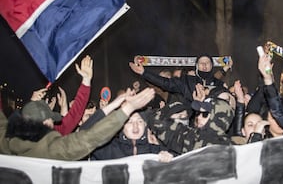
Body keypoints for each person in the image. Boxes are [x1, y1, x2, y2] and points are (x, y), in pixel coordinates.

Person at [0, 86, 155, 160]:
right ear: (46, 123)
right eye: (130, 122)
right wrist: (126, 108)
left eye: (139, 121)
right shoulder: (49, 150)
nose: (135, 126)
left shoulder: (4, 141)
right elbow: (88, 137)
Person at [147, 83, 234, 156]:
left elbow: (158, 122)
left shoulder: (193, 140)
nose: (199, 117)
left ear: (218, 118)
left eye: (205, 114)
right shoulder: (234, 149)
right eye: (198, 113)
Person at [27, 55, 93, 136]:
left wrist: (86, 80)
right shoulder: (28, 142)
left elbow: (75, 113)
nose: (46, 121)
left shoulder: (56, 133)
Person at [129, 54, 227, 108]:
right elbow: (165, 83)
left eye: (207, 63)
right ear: (197, 66)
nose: (204, 65)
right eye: (202, 63)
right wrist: (144, 72)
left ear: (212, 66)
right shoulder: (187, 81)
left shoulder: (220, 84)